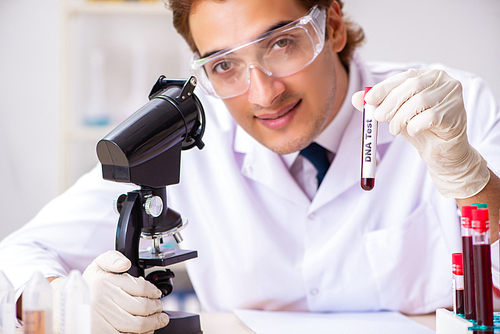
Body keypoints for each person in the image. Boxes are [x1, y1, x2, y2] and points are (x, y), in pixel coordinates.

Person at [1, 0, 500, 333]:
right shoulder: (191, 135)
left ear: (333, 25)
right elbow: (19, 257)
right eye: (224, 65)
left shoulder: (451, 108)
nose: (263, 94)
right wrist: (70, 302)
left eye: (281, 43)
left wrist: (477, 184)